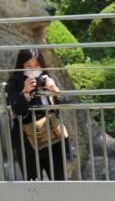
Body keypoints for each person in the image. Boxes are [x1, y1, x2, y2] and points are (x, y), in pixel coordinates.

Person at [4, 47, 71, 180]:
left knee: (59, 180)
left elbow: (65, 103)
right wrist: (25, 92)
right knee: (32, 181)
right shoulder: (14, 83)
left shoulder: (47, 78)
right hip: (27, 139)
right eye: (28, 65)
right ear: (21, 65)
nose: (33, 69)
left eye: (36, 65)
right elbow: (17, 110)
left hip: (52, 135)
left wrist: (54, 89)